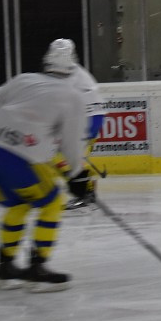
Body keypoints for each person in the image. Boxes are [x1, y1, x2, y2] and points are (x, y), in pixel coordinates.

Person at [0, 39, 89, 292]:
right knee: (52, 202)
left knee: (19, 203)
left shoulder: (23, 80)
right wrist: (77, 176)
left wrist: (11, 131)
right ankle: (37, 266)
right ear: (73, 68)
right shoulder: (72, 97)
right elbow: (72, 145)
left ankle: (5, 265)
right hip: (19, 159)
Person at [48, 39, 107, 212]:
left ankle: (85, 194)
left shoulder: (69, 74)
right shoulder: (73, 72)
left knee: (65, 160)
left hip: (88, 119)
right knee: (68, 159)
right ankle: (86, 192)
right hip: (91, 118)